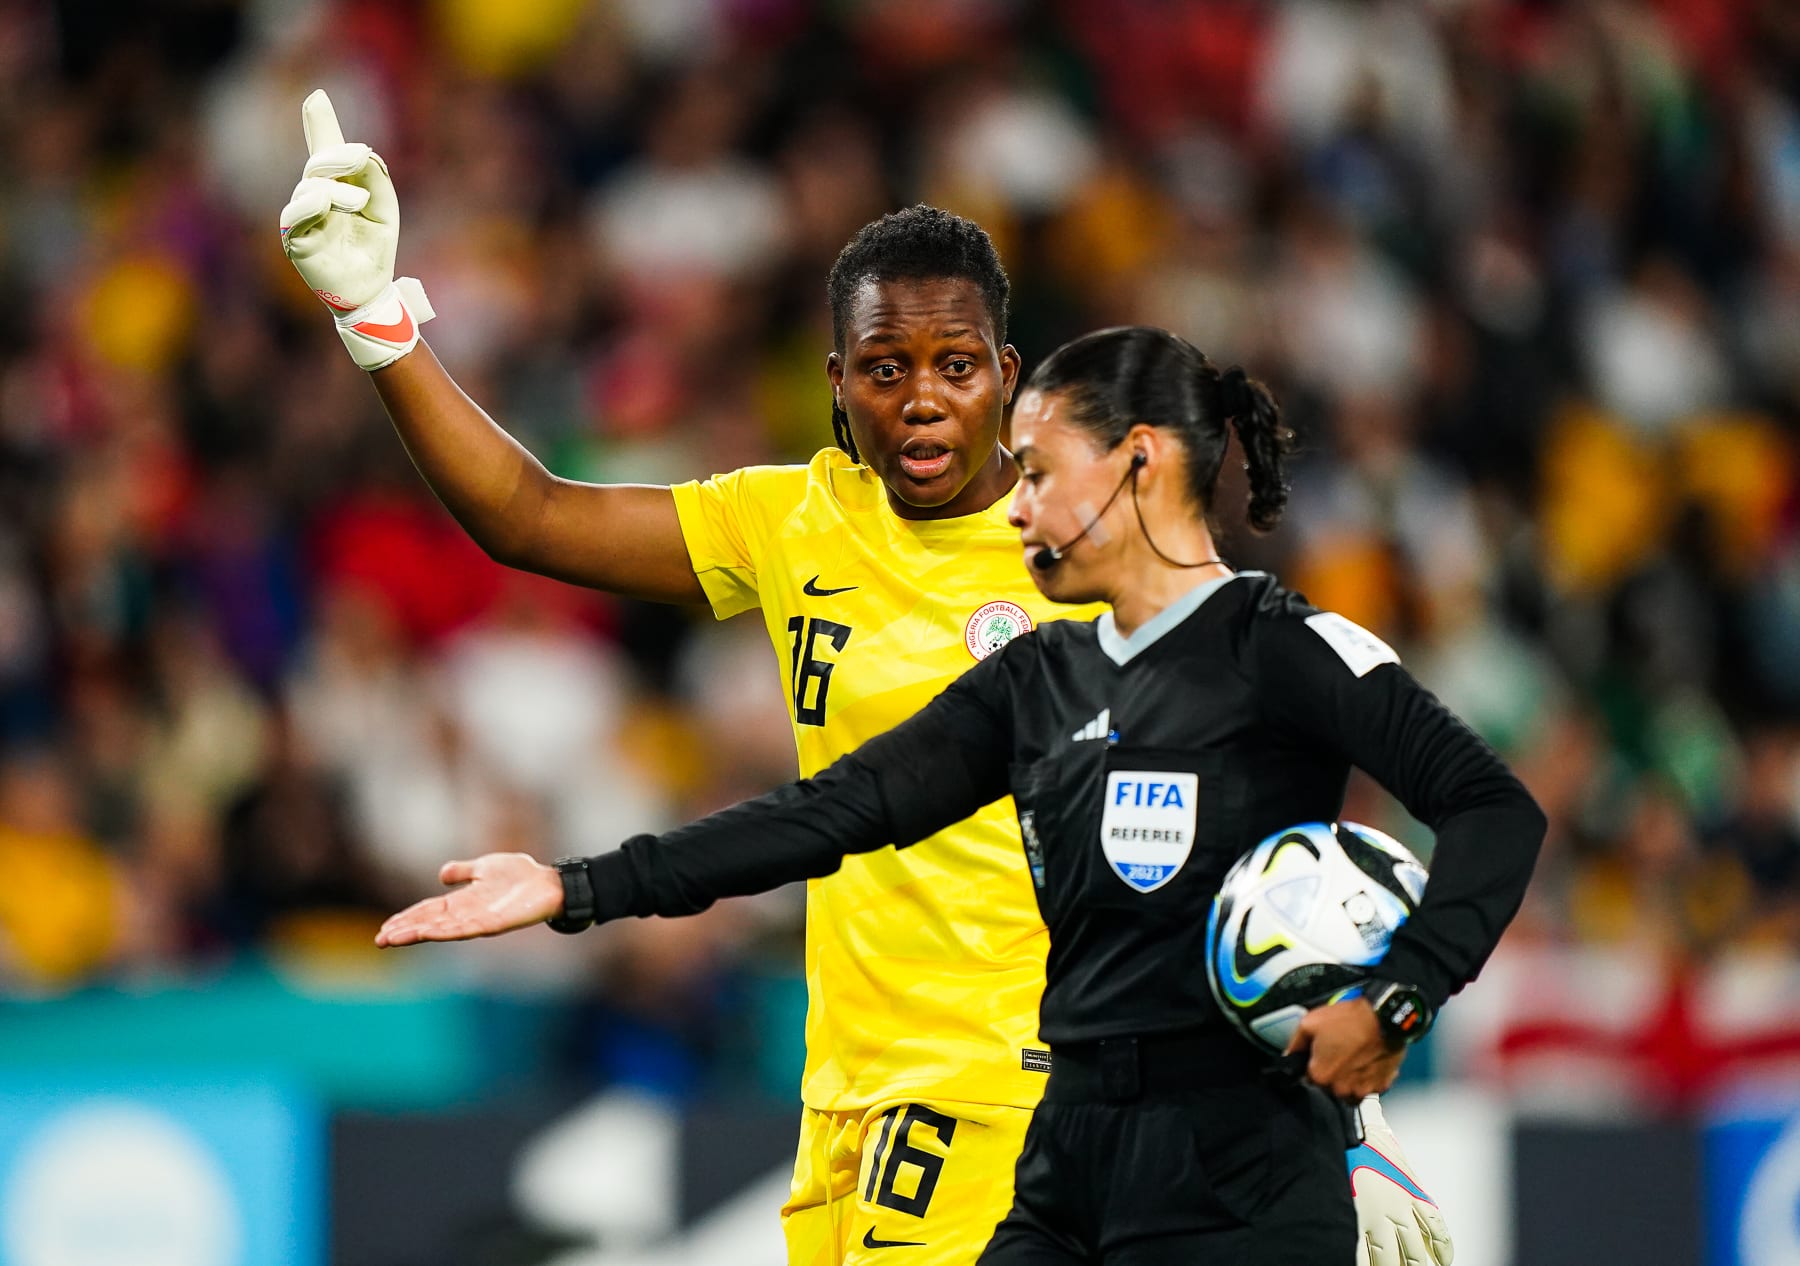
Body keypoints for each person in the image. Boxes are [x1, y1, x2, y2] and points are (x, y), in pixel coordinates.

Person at [281, 92, 1456, 1265]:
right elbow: (529, 515)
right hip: (845, 1100)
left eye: (954, 364)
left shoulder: (1096, 550)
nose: (924, 396)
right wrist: (373, 314)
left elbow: (1249, 843)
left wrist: (1348, 1108)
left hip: (1011, 1100)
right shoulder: (795, 520)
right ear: (839, 383)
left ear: (1006, 375)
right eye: (886, 368)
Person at [376, 326, 1546, 1263]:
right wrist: (577, 885)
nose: (1018, 507)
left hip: (1238, 1168)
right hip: (1068, 1153)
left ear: (1140, 461)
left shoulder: (1283, 646)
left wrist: (1396, 1009)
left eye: (1037, 475)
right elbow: (831, 813)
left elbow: (1495, 809)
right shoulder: (1039, 676)